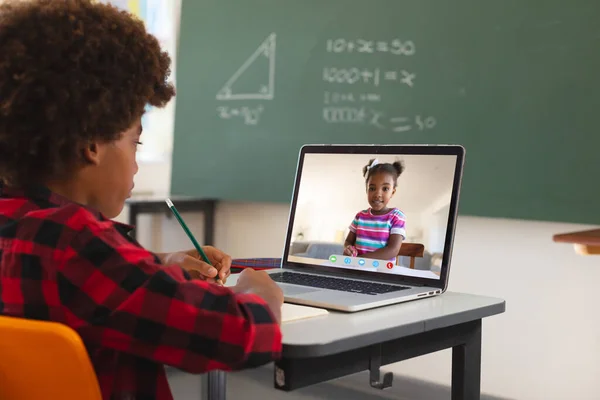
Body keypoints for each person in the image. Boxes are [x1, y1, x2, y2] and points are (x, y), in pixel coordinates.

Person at [0, 1, 283, 399]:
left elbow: (94, 282)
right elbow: (238, 336)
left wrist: (159, 262)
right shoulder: (77, 243)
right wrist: (261, 295)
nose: (136, 162)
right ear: (92, 144)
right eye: (136, 141)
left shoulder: (23, 224)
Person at [343, 158, 407, 261]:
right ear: (366, 190)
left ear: (393, 192)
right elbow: (348, 241)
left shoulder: (397, 216)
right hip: (358, 270)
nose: (377, 194)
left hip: (382, 273)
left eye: (385, 189)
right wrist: (348, 248)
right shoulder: (360, 216)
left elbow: (393, 250)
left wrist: (361, 260)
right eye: (372, 188)